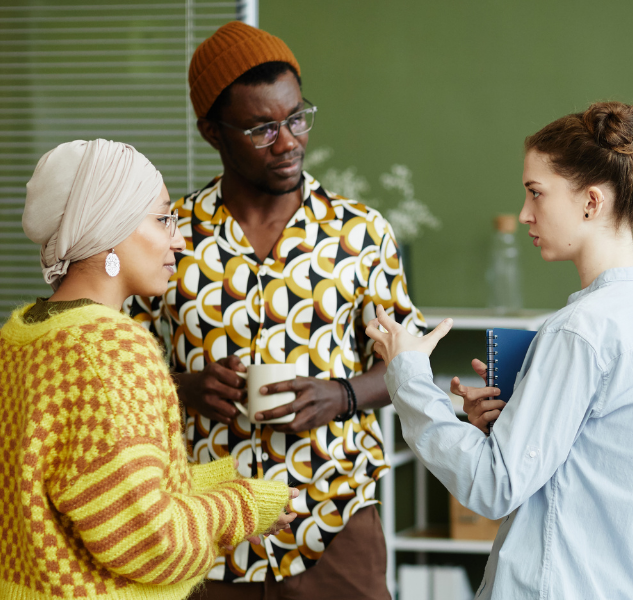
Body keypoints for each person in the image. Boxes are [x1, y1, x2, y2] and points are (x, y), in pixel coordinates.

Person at [366, 101, 633, 599]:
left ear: (591, 202)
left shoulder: (579, 332)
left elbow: (491, 486)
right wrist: (503, 428)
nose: (525, 213)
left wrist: (408, 374)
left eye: (536, 193)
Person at [125, 21, 424, 599]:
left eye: (295, 118)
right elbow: (123, 369)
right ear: (212, 131)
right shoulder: (169, 236)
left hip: (333, 521)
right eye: (262, 128)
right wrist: (182, 388)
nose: (287, 141)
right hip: (204, 528)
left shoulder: (359, 233)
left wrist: (341, 395)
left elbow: (408, 363)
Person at [0, 139, 297, 600]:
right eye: (162, 218)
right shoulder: (109, 347)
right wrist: (242, 507)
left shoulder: (18, 337)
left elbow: (96, 487)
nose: (178, 238)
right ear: (109, 227)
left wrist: (223, 484)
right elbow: (151, 541)